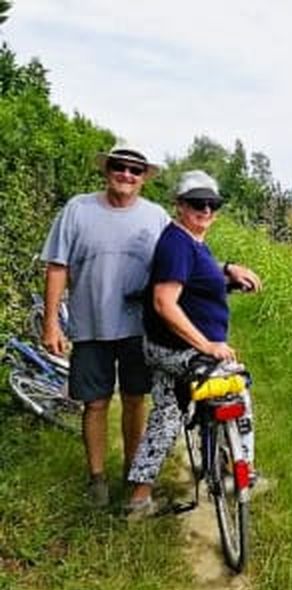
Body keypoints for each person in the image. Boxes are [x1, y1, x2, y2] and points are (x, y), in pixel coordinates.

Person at [126, 170, 261, 516]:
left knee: (167, 416)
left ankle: (139, 498)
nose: (206, 210)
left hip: (165, 346)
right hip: (178, 349)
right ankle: (240, 471)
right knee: (237, 385)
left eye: (212, 204)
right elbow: (164, 302)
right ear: (179, 206)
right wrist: (207, 345)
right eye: (197, 203)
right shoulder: (176, 242)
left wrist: (228, 273)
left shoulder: (188, 240)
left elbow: (194, 278)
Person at [41, 143, 169, 507]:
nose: (126, 175)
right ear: (107, 170)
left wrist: (225, 272)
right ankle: (96, 478)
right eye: (119, 166)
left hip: (139, 327)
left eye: (135, 170)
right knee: (94, 404)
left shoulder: (156, 216)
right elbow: (57, 267)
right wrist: (51, 323)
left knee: (134, 399)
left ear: (144, 178)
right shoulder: (77, 209)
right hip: (90, 325)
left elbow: (178, 262)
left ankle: (133, 471)